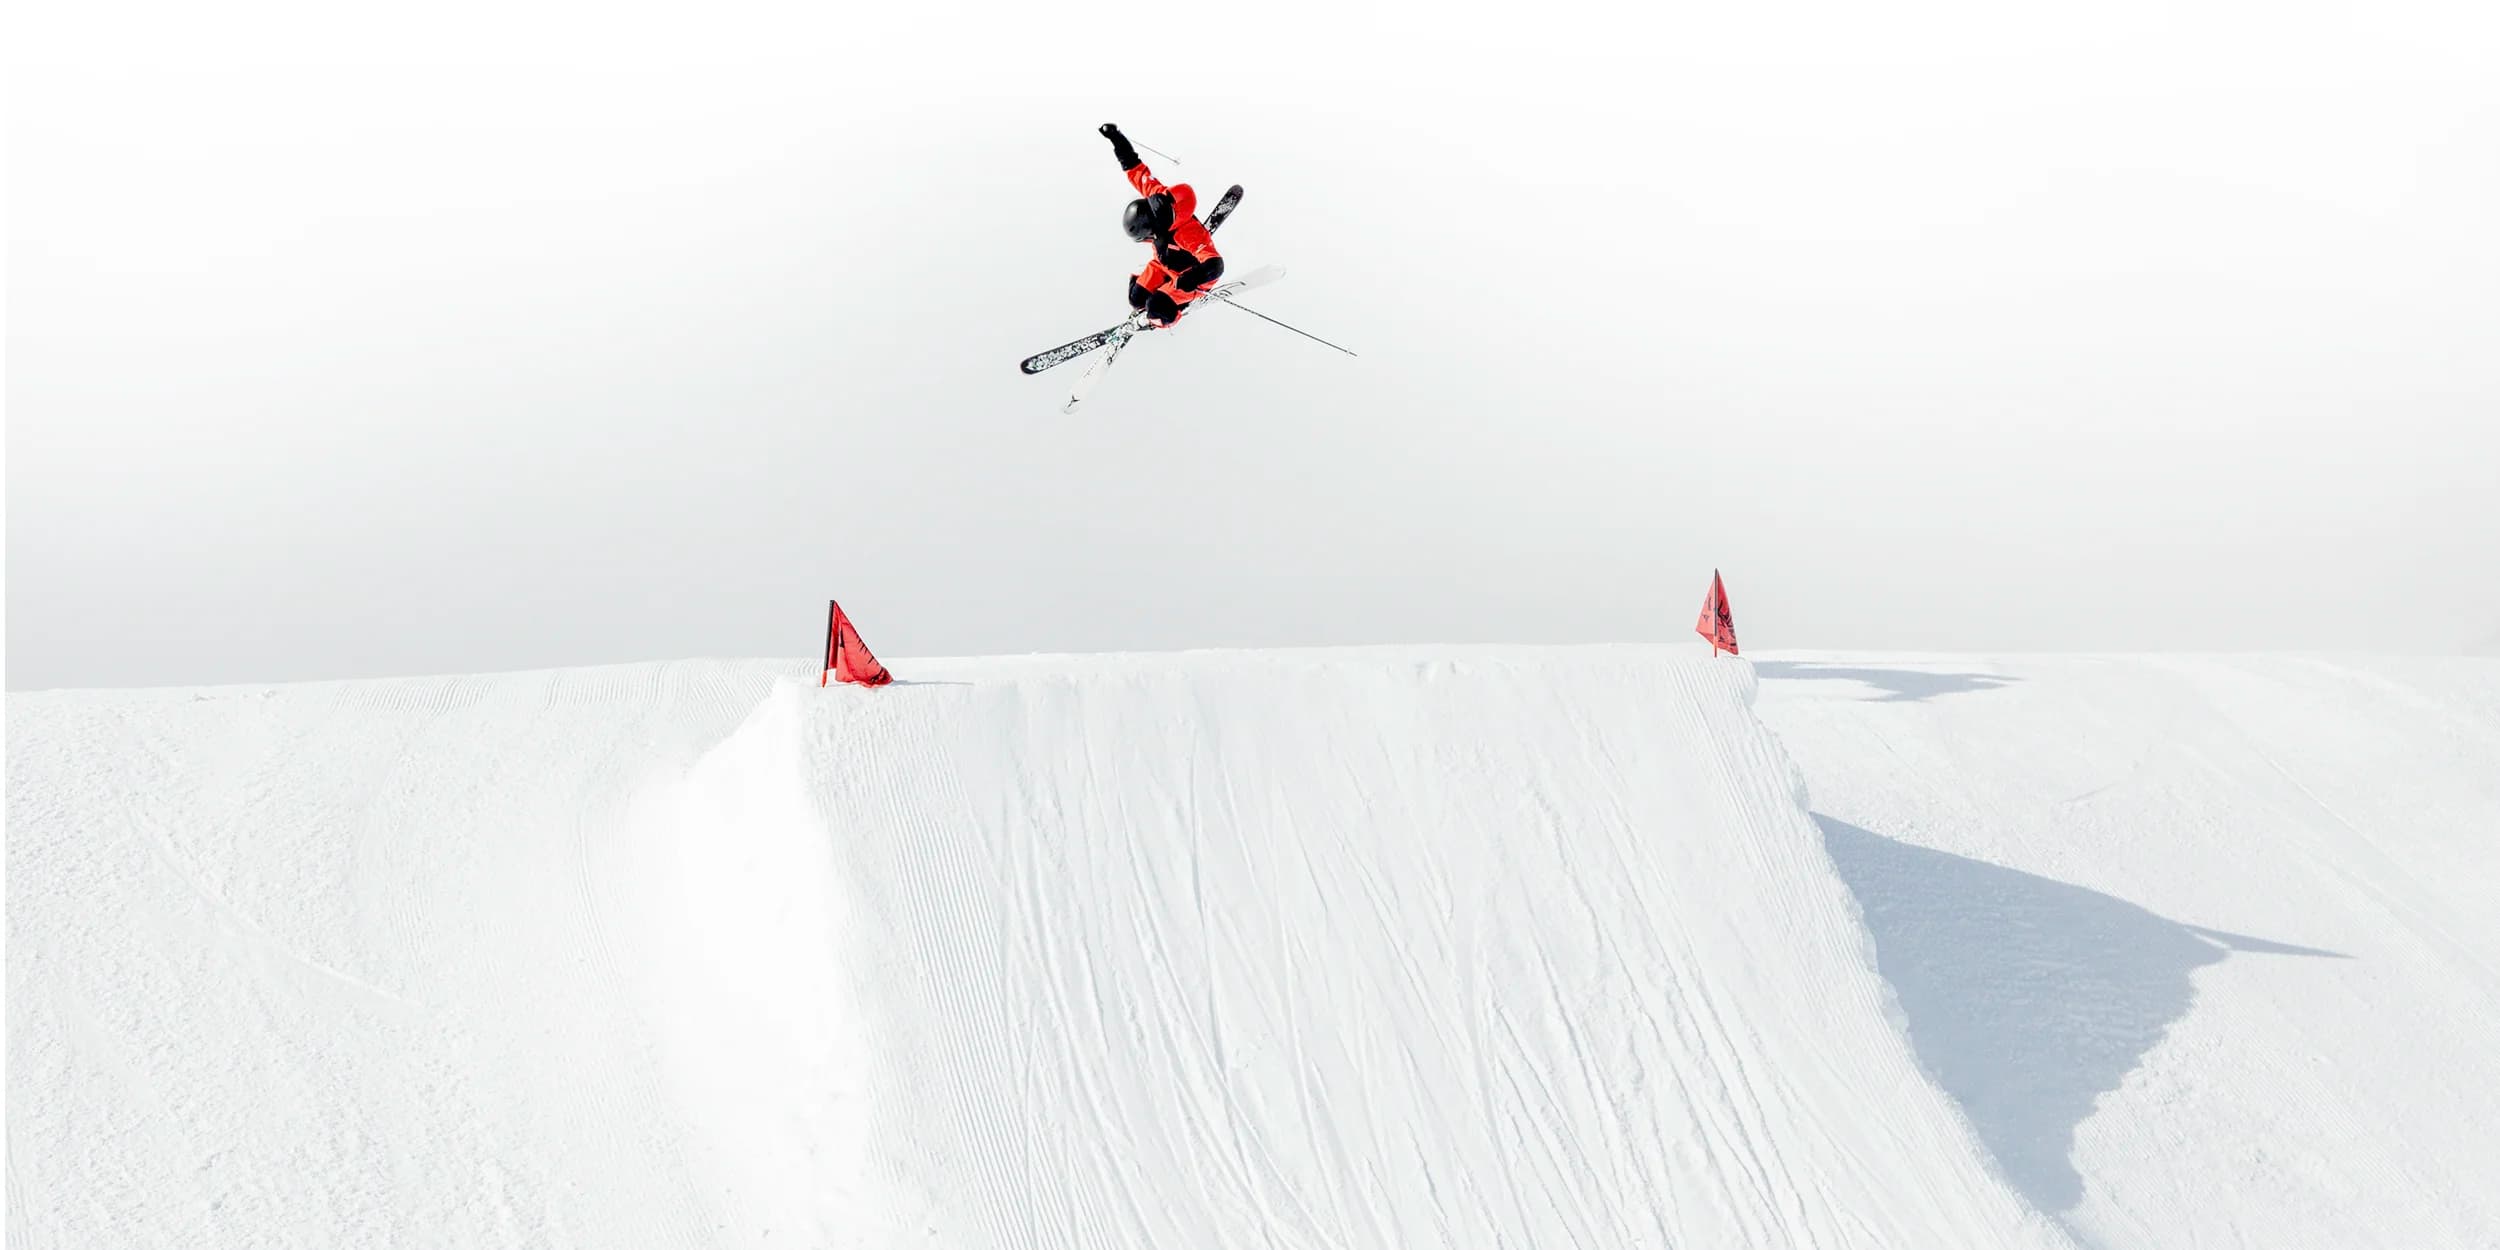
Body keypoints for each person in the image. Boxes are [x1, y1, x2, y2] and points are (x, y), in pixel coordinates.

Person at [1100, 123, 1224, 327]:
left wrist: (1193, 278)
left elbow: (1215, 265)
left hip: (1186, 277)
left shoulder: (1188, 234)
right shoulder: (1155, 195)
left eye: (1148, 237)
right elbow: (1134, 168)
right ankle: (1155, 295)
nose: (1148, 240)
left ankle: (1168, 314)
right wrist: (1116, 138)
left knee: (1156, 306)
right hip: (1162, 263)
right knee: (1136, 299)